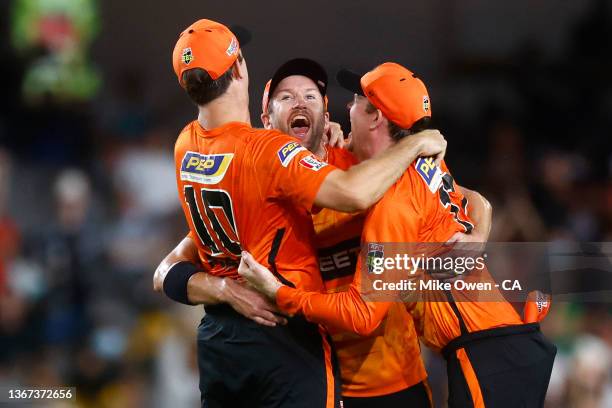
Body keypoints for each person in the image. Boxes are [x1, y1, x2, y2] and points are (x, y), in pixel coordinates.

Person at [156, 57, 492, 407]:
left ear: (326, 115)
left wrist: (478, 236)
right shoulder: (252, 199)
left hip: (396, 381)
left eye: (311, 96)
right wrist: (224, 289)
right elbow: (168, 269)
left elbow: (471, 200)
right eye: (285, 97)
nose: (300, 102)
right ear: (266, 121)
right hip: (312, 381)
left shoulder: (366, 172)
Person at [238, 62, 557, 408]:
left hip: (458, 360)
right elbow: (471, 200)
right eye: (286, 97)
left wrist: (280, 293)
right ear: (265, 121)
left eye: (355, 103)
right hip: (334, 379)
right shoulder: (416, 165)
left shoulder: (387, 195)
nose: (348, 109)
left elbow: (362, 312)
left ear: (374, 117)